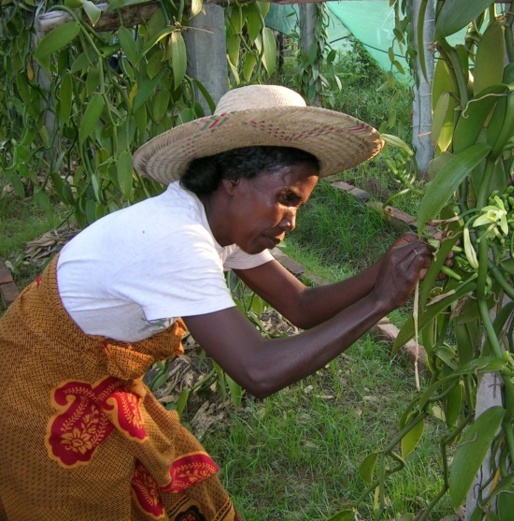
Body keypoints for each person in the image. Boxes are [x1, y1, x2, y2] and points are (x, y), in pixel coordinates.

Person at [0, 85, 433, 521]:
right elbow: (258, 371)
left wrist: (387, 269)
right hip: (35, 394)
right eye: (286, 198)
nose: (292, 220)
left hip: (91, 384)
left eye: (299, 205)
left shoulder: (216, 224)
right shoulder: (177, 239)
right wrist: (379, 302)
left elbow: (302, 306)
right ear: (233, 181)